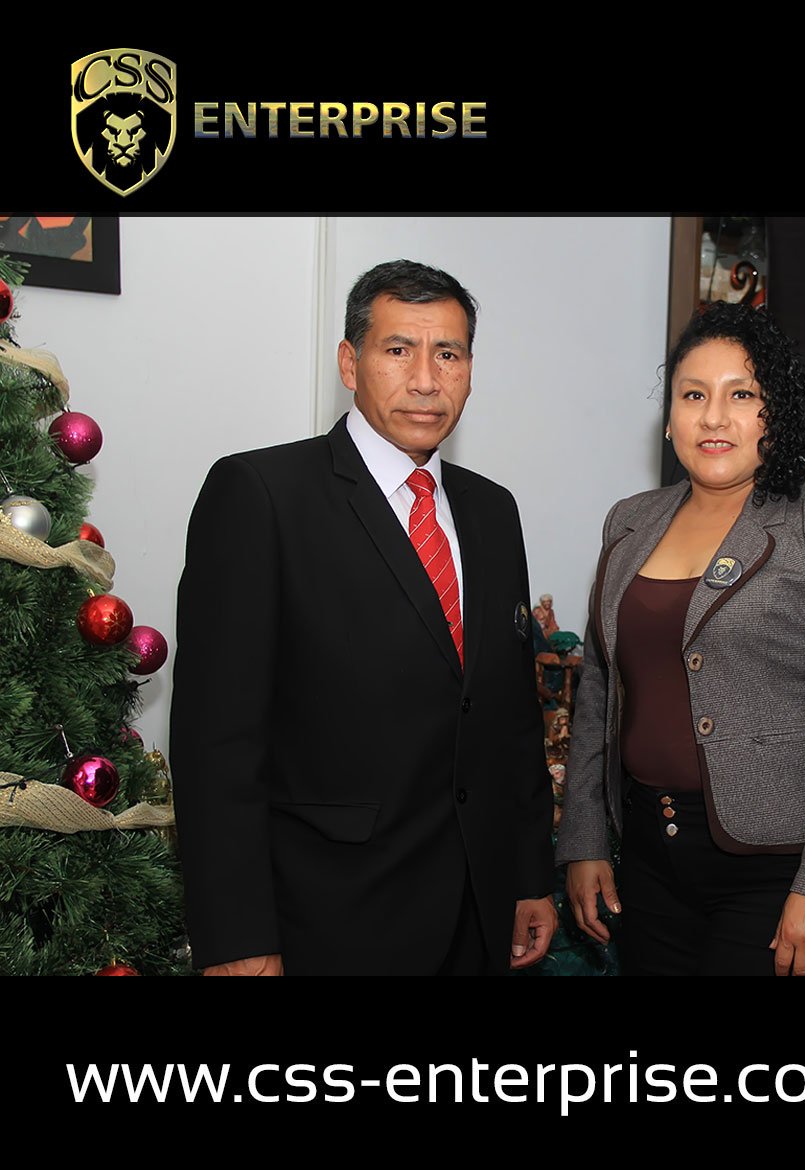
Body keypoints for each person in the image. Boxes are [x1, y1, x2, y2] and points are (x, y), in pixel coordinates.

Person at [170, 260, 556, 975]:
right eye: (398, 349)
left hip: (478, 911)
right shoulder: (260, 495)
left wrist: (531, 875)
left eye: (448, 354)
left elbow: (509, 712)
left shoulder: (492, 510)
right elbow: (216, 744)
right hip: (327, 917)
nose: (426, 379)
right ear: (350, 363)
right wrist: (237, 937)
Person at [556, 301, 805, 976]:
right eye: (694, 396)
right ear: (669, 419)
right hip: (647, 860)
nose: (714, 418)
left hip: (779, 872)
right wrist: (585, 837)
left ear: (776, 412)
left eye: (741, 395)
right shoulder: (629, 522)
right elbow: (600, 689)